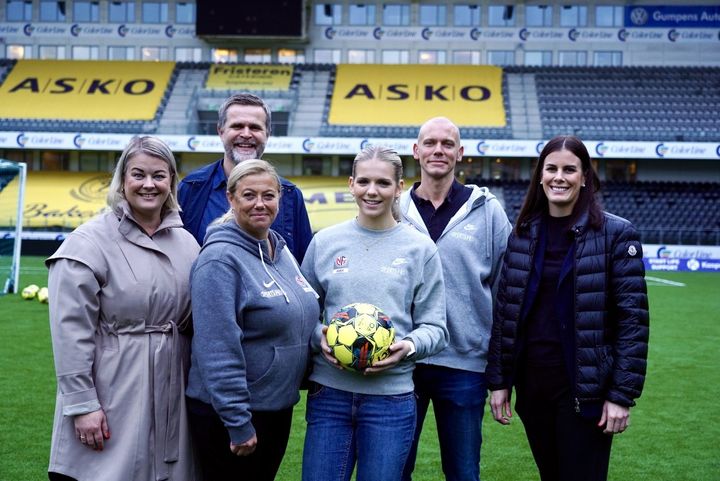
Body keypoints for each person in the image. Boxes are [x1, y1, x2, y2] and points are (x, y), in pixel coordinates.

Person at [487, 135, 649, 481]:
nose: (559, 177)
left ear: (585, 177)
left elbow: (632, 322)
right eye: (552, 169)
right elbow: (506, 313)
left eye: (569, 169)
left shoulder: (616, 234)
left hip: (583, 389)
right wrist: (500, 381)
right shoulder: (523, 233)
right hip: (533, 388)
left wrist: (621, 395)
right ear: (540, 175)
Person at [46, 136, 200, 481]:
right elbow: (70, 332)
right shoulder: (87, 242)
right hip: (115, 389)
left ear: (171, 182)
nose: (149, 184)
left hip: (174, 388)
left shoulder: (187, 242)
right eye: (138, 174)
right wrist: (83, 405)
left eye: (159, 176)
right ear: (122, 180)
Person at [300, 145, 449, 481]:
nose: (372, 191)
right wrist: (317, 337)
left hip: (390, 400)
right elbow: (304, 313)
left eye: (383, 183)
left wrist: (407, 347)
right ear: (351, 184)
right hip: (329, 395)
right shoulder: (325, 242)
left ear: (399, 187)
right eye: (364, 181)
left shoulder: (420, 249)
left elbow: (436, 328)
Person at [186, 159, 320, 481]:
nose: (260, 203)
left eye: (268, 195)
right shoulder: (219, 260)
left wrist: (321, 336)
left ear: (279, 199)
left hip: (275, 406)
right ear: (231, 200)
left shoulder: (279, 249)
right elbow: (217, 348)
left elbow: (298, 315)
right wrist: (237, 421)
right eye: (249, 195)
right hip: (233, 416)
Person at [399, 117, 511, 481]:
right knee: (394, 468)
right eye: (429, 143)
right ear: (416, 151)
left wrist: (500, 372)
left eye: (447, 144)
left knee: (463, 472)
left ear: (460, 153)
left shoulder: (487, 210)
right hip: (402, 363)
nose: (438, 150)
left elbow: (507, 291)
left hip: (465, 365)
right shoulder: (394, 209)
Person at [178, 92, 312, 262]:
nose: (246, 134)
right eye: (237, 126)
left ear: (267, 133)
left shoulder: (290, 195)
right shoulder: (191, 189)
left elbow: (302, 265)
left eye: (255, 127)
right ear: (221, 131)